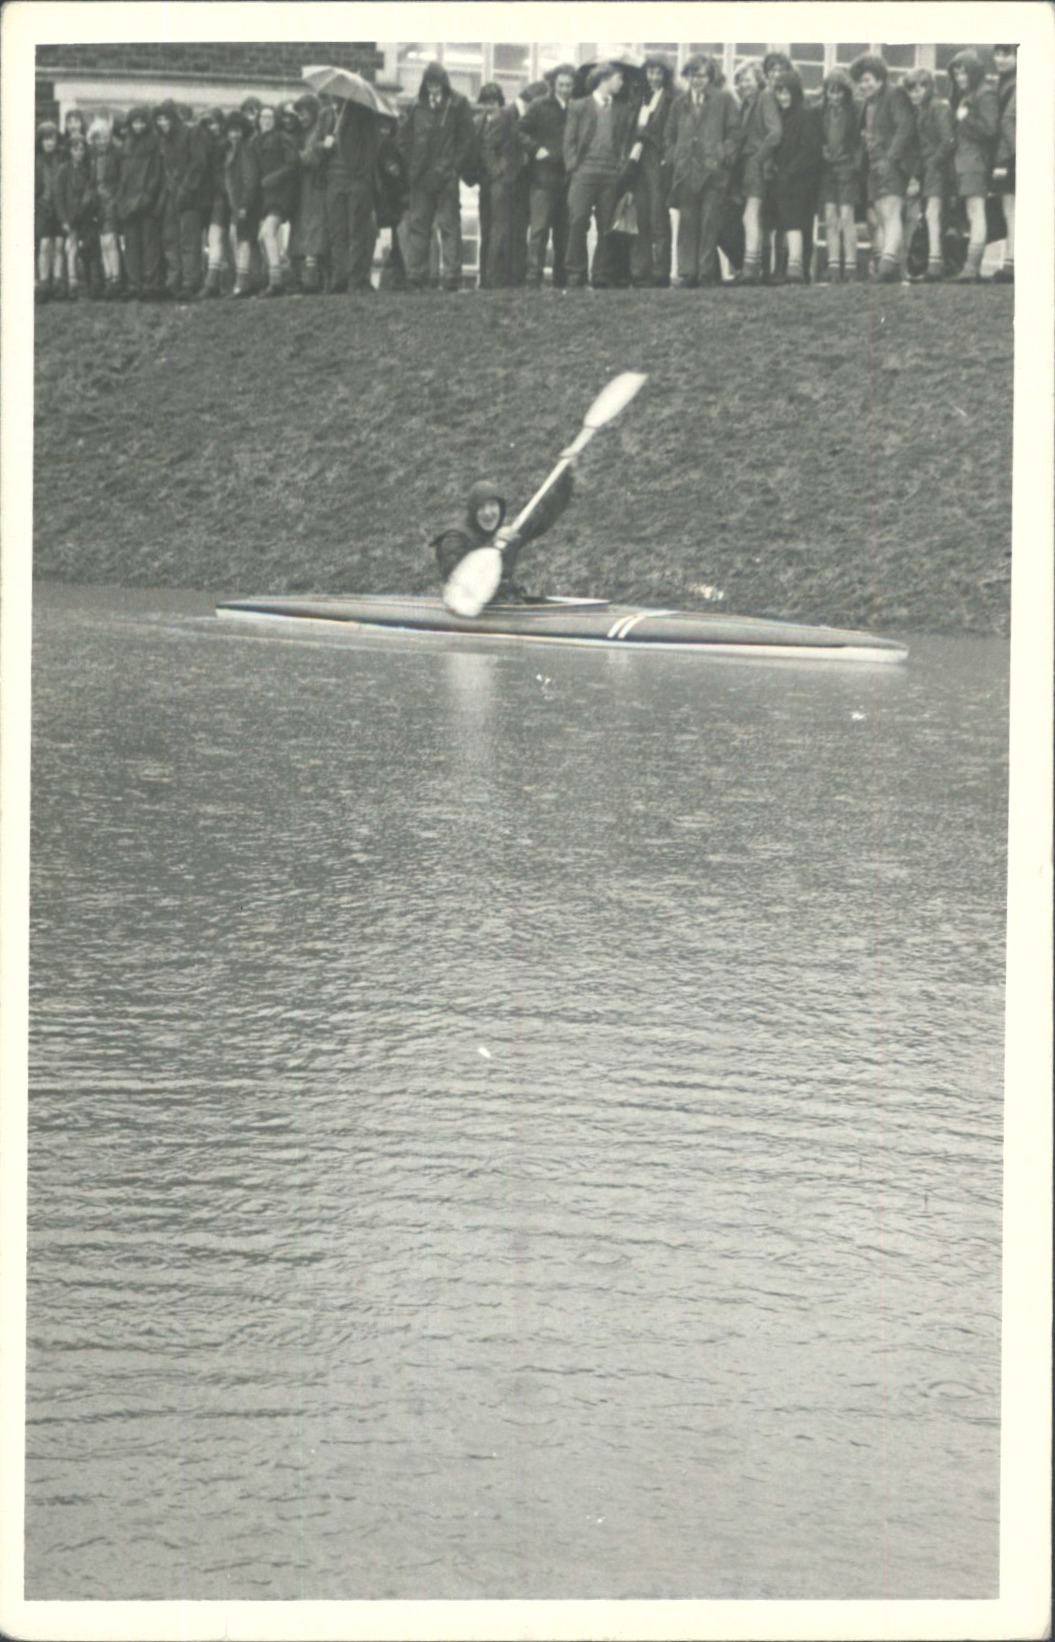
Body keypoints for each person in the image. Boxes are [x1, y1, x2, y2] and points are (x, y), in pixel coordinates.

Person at [431, 467, 575, 604]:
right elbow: (463, 582)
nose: (488, 512)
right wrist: (493, 544)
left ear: (500, 507)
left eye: (492, 505)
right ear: (472, 511)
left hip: (504, 605)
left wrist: (566, 476)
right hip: (476, 611)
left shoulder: (505, 533)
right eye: (481, 507)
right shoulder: (453, 539)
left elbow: (542, 516)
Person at [664, 54, 742, 288]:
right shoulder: (679, 103)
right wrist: (675, 157)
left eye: (701, 75)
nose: (696, 80)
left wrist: (721, 156)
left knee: (710, 222)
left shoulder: (724, 100)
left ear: (710, 77)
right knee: (687, 222)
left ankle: (706, 273)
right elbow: (669, 136)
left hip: (713, 173)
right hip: (686, 172)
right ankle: (688, 272)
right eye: (691, 75)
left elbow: (735, 134)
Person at [399, 62, 475, 291]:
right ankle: (416, 276)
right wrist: (413, 166)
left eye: (437, 83)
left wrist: (453, 168)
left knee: (449, 226)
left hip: (446, 177)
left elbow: (467, 140)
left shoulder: (458, 104)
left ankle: (452, 276)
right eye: (429, 83)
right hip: (421, 178)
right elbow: (403, 139)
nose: (433, 88)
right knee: (419, 227)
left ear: (444, 83)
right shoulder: (415, 106)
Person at [563, 62, 635, 289]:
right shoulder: (579, 105)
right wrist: (574, 167)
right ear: (605, 79)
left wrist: (620, 169)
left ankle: (601, 274)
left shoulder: (622, 109)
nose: (621, 83)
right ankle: (576, 273)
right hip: (584, 173)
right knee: (577, 221)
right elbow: (569, 141)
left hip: (610, 175)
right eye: (618, 79)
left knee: (607, 225)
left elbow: (625, 142)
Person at [850, 53, 915, 282]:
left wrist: (890, 159)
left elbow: (905, 127)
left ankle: (887, 264)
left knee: (891, 211)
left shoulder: (894, 94)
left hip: (891, 164)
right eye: (860, 81)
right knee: (880, 215)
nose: (863, 85)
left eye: (867, 79)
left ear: (879, 77)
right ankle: (893, 266)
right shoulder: (869, 102)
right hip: (874, 166)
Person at [519, 62, 575, 288]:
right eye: (560, 84)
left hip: (568, 178)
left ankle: (561, 279)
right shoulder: (539, 105)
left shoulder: (577, 107)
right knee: (539, 229)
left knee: (564, 231)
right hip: (543, 177)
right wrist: (535, 149)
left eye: (569, 85)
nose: (564, 89)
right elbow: (520, 130)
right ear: (553, 84)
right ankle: (533, 277)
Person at [323, 88, 382, 293]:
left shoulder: (363, 115)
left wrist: (363, 175)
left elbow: (373, 146)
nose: (334, 98)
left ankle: (356, 280)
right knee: (338, 232)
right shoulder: (327, 116)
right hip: (333, 181)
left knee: (358, 230)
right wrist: (324, 146)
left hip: (356, 181)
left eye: (337, 95)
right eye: (332, 95)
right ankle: (340, 278)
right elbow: (315, 148)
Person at [948, 49, 999, 284]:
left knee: (976, 212)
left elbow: (990, 129)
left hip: (975, 162)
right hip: (965, 163)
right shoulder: (970, 94)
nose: (959, 77)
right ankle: (969, 268)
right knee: (972, 213)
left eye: (964, 72)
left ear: (974, 72)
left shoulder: (985, 94)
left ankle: (971, 268)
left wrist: (964, 118)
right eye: (956, 72)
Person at [766, 70, 822, 284]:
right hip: (784, 179)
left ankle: (796, 265)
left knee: (796, 223)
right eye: (779, 93)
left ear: (796, 92)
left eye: (787, 92)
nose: (783, 97)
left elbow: (811, 149)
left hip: (801, 181)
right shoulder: (780, 117)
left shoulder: (807, 114)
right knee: (785, 223)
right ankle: (786, 268)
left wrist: (791, 171)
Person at [732, 59, 782, 285]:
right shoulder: (746, 103)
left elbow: (775, 132)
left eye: (748, 79)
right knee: (756, 218)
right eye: (741, 80)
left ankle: (750, 269)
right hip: (747, 165)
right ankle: (755, 267)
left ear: (758, 80)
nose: (744, 84)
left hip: (758, 164)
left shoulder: (765, 98)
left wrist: (759, 157)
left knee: (750, 215)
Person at [628, 54, 676, 287]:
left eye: (658, 73)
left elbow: (668, 131)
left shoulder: (670, 99)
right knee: (641, 215)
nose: (654, 77)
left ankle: (661, 270)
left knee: (658, 216)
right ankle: (641, 270)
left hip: (657, 160)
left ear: (665, 75)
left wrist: (648, 136)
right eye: (650, 72)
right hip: (638, 161)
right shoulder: (640, 97)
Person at [153, 98, 208, 299]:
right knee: (170, 238)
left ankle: (190, 281)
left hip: (189, 196)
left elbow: (198, 164)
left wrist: (186, 189)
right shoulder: (162, 140)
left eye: (166, 118)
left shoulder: (191, 133)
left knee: (189, 239)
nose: (162, 123)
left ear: (174, 118)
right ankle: (174, 280)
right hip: (170, 196)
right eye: (159, 119)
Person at [903, 69, 954, 282]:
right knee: (931, 215)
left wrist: (932, 163)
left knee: (933, 214)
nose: (915, 93)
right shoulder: (922, 111)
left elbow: (947, 140)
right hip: (930, 169)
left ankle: (935, 264)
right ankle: (933, 263)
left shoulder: (936, 108)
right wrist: (917, 174)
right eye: (911, 89)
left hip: (940, 169)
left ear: (929, 87)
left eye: (920, 88)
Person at [818, 68, 863, 281]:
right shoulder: (821, 112)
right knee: (830, 216)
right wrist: (822, 150)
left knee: (846, 216)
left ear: (846, 93)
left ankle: (851, 266)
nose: (834, 96)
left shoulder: (854, 112)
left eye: (838, 92)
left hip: (847, 169)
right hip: (828, 169)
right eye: (830, 92)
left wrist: (854, 163)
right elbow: (817, 137)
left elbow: (859, 142)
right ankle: (834, 265)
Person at [116, 105, 164, 299]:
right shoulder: (126, 145)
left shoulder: (154, 143)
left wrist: (148, 195)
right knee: (132, 243)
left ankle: (150, 284)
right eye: (135, 122)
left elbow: (156, 173)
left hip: (147, 200)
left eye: (142, 122)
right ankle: (133, 284)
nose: (138, 126)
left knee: (149, 243)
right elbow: (122, 175)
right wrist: (123, 199)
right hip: (129, 201)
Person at [254, 103, 299, 296]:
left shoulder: (283, 139)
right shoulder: (255, 141)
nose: (266, 121)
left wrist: (273, 179)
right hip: (264, 197)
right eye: (263, 118)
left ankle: (276, 282)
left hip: (281, 195)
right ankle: (274, 278)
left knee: (268, 233)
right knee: (263, 236)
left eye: (270, 118)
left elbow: (293, 164)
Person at [289, 92, 330, 294]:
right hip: (301, 187)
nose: (301, 117)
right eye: (299, 114)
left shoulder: (318, 131)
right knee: (301, 229)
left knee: (314, 229)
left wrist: (298, 157)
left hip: (314, 186)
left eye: (304, 113)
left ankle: (312, 278)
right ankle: (300, 275)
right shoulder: (300, 133)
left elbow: (311, 158)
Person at [223, 109, 262, 298]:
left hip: (245, 205)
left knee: (243, 240)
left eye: (237, 131)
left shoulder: (245, 150)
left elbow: (250, 179)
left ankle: (241, 282)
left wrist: (244, 205)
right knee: (239, 239)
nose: (233, 135)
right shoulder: (232, 151)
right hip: (237, 204)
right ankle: (250, 279)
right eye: (231, 131)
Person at [55, 128, 97, 298]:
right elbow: (59, 196)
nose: (78, 153)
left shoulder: (89, 170)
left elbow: (92, 192)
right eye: (75, 149)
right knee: (70, 248)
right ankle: (72, 283)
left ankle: (88, 282)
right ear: (70, 151)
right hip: (70, 216)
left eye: (81, 149)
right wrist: (64, 219)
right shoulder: (63, 170)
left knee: (87, 248)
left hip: (86, 216)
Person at [88, 116, 124, 298]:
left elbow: (121, 180)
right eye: (98, 138)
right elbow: (92, 182)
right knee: (103, 243)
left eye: (104, 137)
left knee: (111, 240)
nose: (102, 141)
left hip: (112, 202)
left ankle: (116, 280)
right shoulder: (93, 157)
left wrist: (115, 200)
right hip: (99, 205)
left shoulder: (117, 154)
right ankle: (109, 278)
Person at [197, 107, 230, 298]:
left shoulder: (225, 144)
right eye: (209, 124)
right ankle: (216, 281)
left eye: (215, 122)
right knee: (214, 238)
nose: (213, 127)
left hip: (222, 195)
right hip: (211, 195)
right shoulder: (206, 144)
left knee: (216, 237)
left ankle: (212, 282)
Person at [991, 44, 1016, 282]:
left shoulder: (1018, 82)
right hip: (1008, 154)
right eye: (997, 54)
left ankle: (1011, 263)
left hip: (1011, 155)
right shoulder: (1003, 82)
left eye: (1006, 54)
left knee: (1012, 210)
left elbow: (1007, 120)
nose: (1000, 59)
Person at [35, 120, 64, 301]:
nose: (49, 143)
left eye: (52, 139)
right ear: (40, 141)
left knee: (59, 245)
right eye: (46, 139)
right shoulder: (36, 160)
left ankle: (58, 281)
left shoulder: (62, 158)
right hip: (43, 206)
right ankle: (44, 282)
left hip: (60, 207)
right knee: (45, 244)